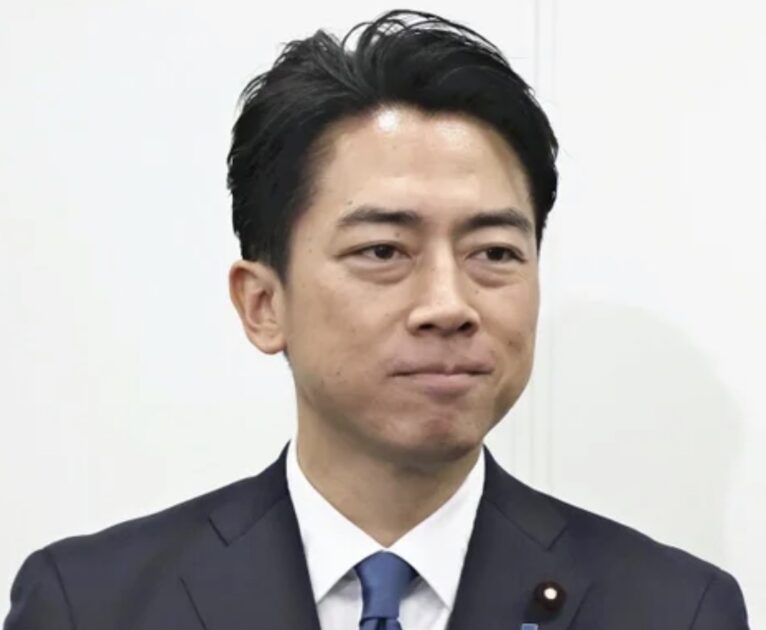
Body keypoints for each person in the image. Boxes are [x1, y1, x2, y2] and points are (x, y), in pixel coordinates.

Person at [3, 9, 750, 630]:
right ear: (263, 304)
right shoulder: (90, 604)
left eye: (494, 252)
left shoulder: (674, 610)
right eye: (383, 250)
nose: (449, 305)